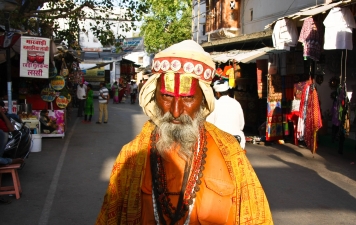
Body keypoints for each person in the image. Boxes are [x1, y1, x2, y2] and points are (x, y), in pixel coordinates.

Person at [95, 40, 273, 224]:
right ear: (154, 97)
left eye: (188, 98)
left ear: (203, 99)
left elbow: (256, 217)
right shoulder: (130, 157)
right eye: (166, 96)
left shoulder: (231, 153)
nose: (176, 111)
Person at [206, 80, 246, 149]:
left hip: (220, 141)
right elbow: (241, 125)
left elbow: (209, 124)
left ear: (218, 93)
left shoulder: (215, 104)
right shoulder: (236, 103)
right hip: (237, 140)